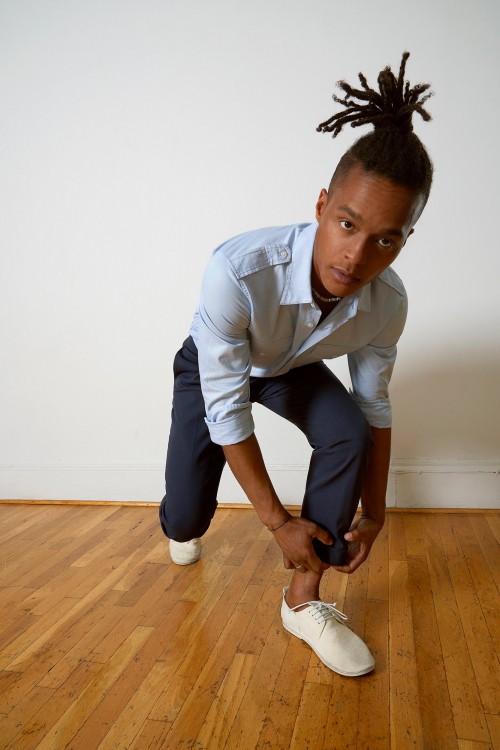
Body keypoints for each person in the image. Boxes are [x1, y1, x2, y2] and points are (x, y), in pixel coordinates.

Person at [159, 52, 433, 677]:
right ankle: (181, 518)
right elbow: (227, 407)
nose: (356, 256)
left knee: (348, 430)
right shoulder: (237, 270)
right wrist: (277, 521)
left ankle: (304, 600)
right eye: (347, 223)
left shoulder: (388, 304)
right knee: (185, 517)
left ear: (404, 240)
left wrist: (377, 513)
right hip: (215, 367)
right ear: (321, 205)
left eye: (385, 239)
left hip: (290, 369)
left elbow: (373, 405)